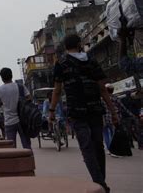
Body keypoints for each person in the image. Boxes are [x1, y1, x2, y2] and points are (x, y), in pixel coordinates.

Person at [49, 34, 118, 193]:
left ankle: (100, 183)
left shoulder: (61, 64)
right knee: (98, 146)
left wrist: (51, 111)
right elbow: (102, 89)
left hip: (77, 111)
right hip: (95, 109)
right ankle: (101, 183)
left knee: (87, 148)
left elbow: (58, 91)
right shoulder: (91, 61)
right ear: (80, 44)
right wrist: (113, 112)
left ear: (66, 47)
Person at [0, 68, 31, 149]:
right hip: (23, 121)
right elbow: (29, 98)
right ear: (12, 75)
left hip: (9, 122)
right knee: (27, 145)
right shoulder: (20, 86)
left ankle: (15, 161)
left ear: (1, 78)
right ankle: (29, 160)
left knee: (11, 147)